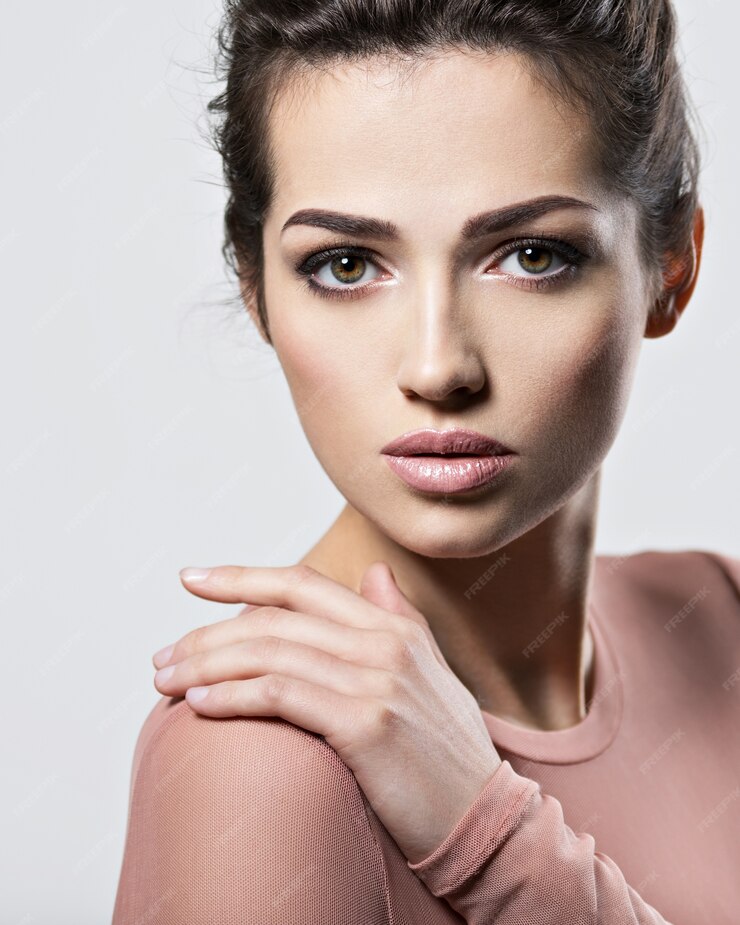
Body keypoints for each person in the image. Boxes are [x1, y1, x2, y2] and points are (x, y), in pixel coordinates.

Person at [111, 1, 740, 922]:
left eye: (531, 255)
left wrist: (487, 828)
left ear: (671, 268)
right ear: (256, 291)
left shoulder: (718, 620)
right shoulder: (258, 767)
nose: (438, 366)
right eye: (347, 266)